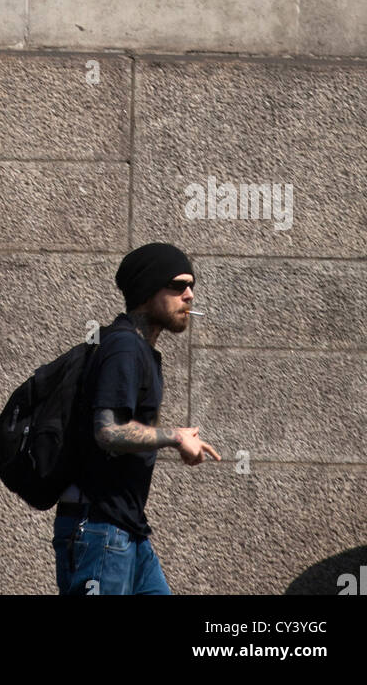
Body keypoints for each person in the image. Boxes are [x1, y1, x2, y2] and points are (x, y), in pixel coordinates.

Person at [52, 243, 220, 595]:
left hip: (125, 528)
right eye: (177, 286)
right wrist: (175, 437)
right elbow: (108, 431)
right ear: (146, 290)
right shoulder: (124, 347)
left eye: (192, 286)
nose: (189, 295)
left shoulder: (138, 350)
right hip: (98, 530)